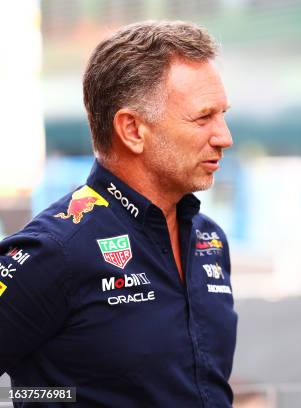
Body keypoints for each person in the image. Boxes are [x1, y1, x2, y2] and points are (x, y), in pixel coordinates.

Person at [0, 21, 237, 406]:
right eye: (203, 117)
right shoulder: (55, 250)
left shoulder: (208, 239)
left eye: (223, 114)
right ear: (132, 130)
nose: (224, 136)